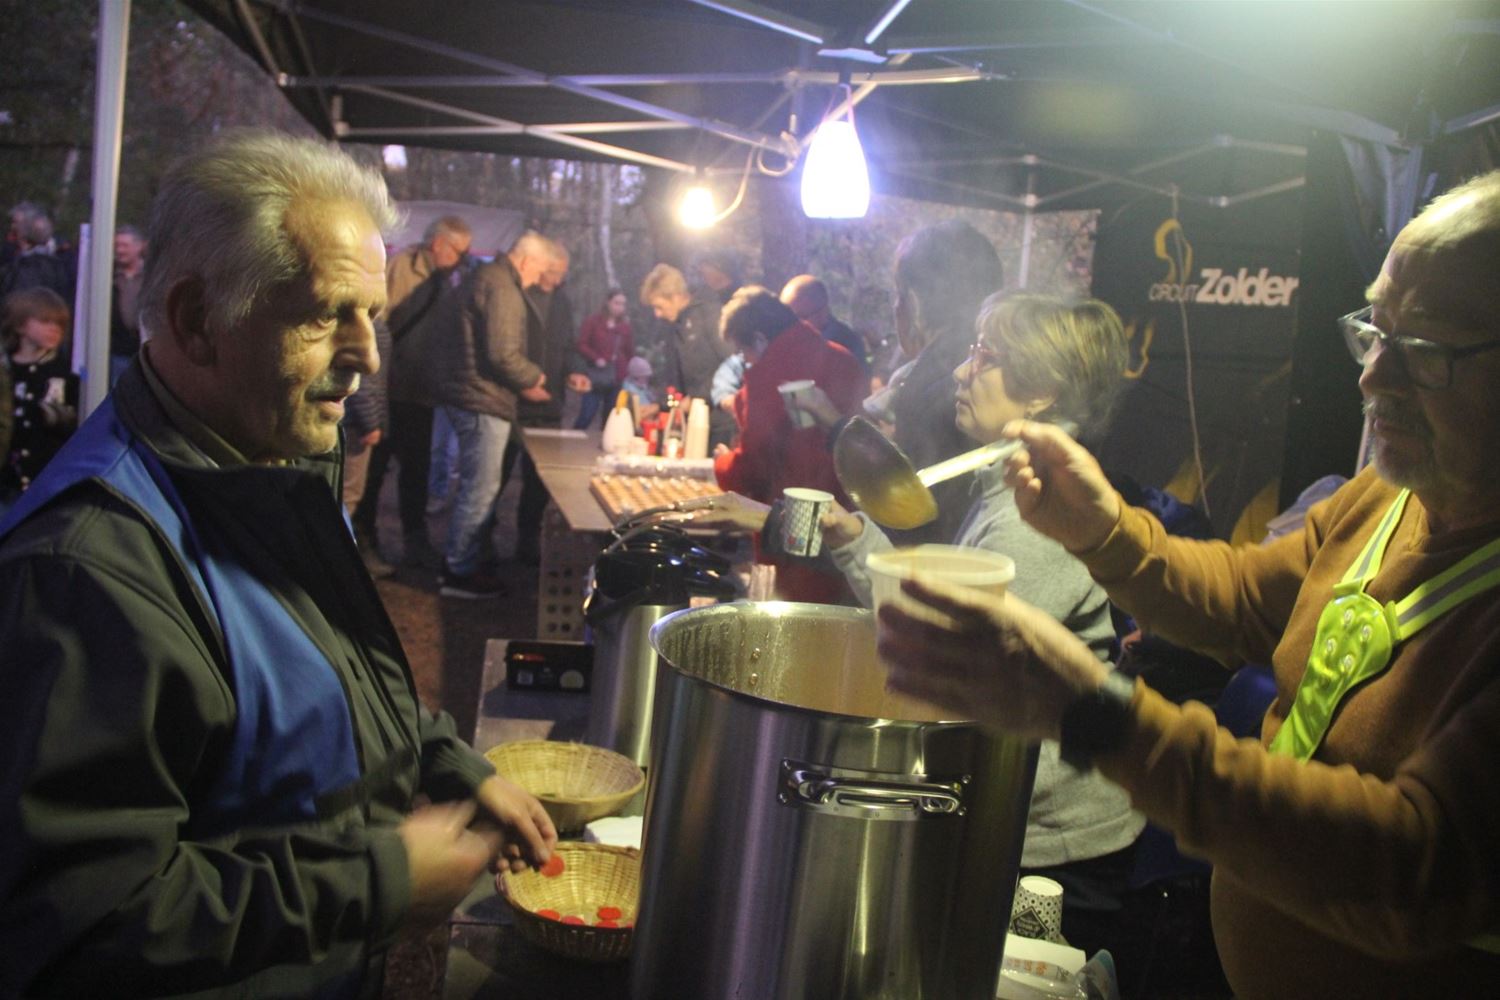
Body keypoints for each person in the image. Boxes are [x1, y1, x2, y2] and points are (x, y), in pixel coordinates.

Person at [876, 169, 1500, 999]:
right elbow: (1247, 599)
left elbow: (1414, 868)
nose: (1371, 378)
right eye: (1374, 331)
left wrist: (1097, 713)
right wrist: (1106, 532)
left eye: (1422, 351)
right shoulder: (1391, 496)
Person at [0, 130, 556, 997]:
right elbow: (76, 924)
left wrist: (444, 758)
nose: (368, 353)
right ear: (198, 320)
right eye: (327, 314)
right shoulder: (84, 573)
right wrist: (373, 886)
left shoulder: (266, 458)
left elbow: (323, 673)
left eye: (371, 313)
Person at [702, 294, 1144, 952]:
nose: (963, 371)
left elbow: (944, 646)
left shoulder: (1041, 518)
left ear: (1042, 394)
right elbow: (935, 606)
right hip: (1020, 819)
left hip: (1059, 851)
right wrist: (851, 534)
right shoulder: (1007, 487)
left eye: (986, 357)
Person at [430, 231, 564, 597]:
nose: (538, 278)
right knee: (480, 489)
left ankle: (465, 562)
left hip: (472, 394)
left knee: (479, 486)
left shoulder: (490, 278)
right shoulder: (503, 286)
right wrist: (534, 377)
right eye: (540, 269)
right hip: (481, 399)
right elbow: (502, 353)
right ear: (527, 260)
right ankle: (458, 572)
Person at [711, 287, 866, 603]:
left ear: (759, 338)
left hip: (793, 517)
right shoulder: (842, 357)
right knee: (839, 610)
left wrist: (723, 464)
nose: (746, 361)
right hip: (849, 516)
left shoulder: (767, 376)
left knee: (794, 613)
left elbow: (752, 467)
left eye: (743, 351)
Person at [353, 214, 472, 570]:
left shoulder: (448, 280)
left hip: (420, 395)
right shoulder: (399, 269)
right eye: (460, 252)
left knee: (416, 472)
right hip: (389, 393)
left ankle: (414, 540)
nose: (464, 259)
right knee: (373, 473)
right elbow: (375, 328)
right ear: (439, 244)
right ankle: (363, 540)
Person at [888, 221, 1005, 544]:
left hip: (936, 563)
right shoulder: (995, 362)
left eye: (898, 294)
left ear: (913, 302)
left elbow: (907, 516)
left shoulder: (935, 382)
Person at [498, 251, 590, 567]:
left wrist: (574, 372)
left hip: (549, 405)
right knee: (496, 477)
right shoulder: (517, 294)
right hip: (511, 404)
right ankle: (482, 541)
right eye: (554, 271)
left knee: (538, 481)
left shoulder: (562, 301)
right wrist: (523, 383)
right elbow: (503, 349)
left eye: (563, 273)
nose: (558, 279)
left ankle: (527, 540)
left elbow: (568, 346)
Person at [640, 262, 734, 448]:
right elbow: (679, 383)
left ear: (675, 297)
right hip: (695, 421)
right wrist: (661, 405)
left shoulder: (710, 314)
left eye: (659, 306)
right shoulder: (676, 326)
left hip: (722, 423)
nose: (657, 314)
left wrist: (699, 397)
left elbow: (732, 363)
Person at [1, 287, 79, 507]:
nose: (55, 329)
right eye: (46, 321)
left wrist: (62, 418)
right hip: (6, 482)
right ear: (20, 325)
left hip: (47, 480)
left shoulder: (65, 372)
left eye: (60, 324)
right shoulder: (6, 370)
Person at [780, 273, 870, 376]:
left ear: (822, 313)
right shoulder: (783, 343)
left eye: (799, 318)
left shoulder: (848, 345)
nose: (789, 325)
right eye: (786, 318)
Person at [573, 287, 634, 430]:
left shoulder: (625, 327)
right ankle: (575, 438)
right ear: (608, 302)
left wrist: (627, 370)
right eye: (616, 303)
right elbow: (581, 344)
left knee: (611, 418)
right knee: (587, 413)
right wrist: (596, 358)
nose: (619, 308)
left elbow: (629, 351)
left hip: (616, 377)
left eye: (622, 304)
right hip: (596, 375)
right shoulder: (593, 322)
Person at [108, 224, 148, 386]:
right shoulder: (108, 275)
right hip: (117, 350)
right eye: (117, 245)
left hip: (145, 349)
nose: (120, 250)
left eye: (125, 245)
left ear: (139, 247)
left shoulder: (152, 274)